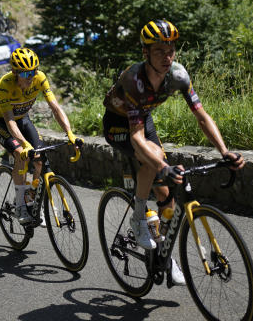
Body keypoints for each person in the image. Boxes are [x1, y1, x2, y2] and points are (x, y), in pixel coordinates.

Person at [102, 19, 244, 285]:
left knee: (168, 201)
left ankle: (164, 257)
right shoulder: (133, 79)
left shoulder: (178, 75)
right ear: (145, 53)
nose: (167, 57)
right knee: (154, 160)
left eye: (170, 50)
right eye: (159, 51)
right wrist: (162, 166)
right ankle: (137, 218)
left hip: (142, 118)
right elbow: (135, 137)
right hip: (118, 125)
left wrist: (225, 151)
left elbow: (201, 115)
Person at [0, 47, 81, 225]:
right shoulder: (5, 84)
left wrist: (69, 133)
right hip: (1, 122)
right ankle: (21, 204)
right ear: (15, 72)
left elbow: (55, 107)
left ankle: (32, 194)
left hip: (22, 118)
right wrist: (24, 144)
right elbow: (9, 122)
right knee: (20, 154)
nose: (30, 77)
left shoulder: (40, 78)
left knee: (39, 159)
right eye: (25, 73)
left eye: (33, 71)